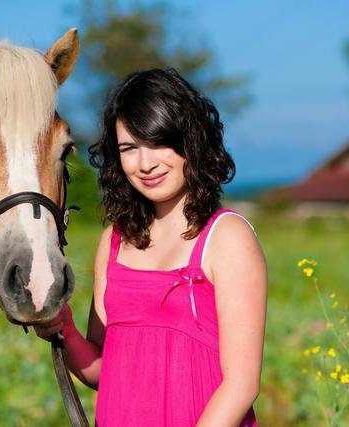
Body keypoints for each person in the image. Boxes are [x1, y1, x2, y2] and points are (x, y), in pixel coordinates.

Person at [35, 68, 267, 426]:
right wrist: (64, 329)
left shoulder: (227, 237)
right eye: (129, 148)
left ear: (191, 141)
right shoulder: (114, 241)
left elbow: (241, 385)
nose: (145, 164)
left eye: (158, 143)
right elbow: (103, 372)